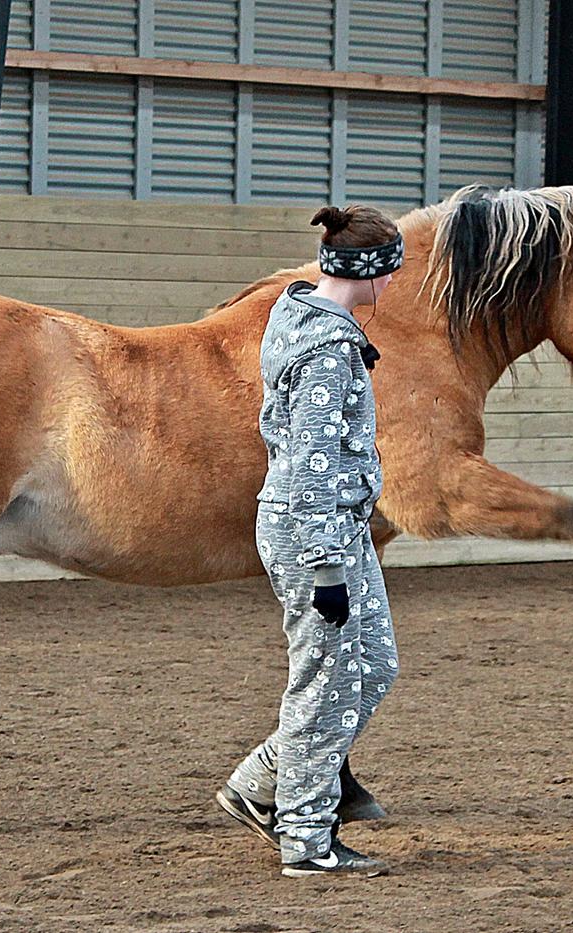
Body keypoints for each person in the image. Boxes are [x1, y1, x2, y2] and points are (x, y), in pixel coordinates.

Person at [217, 204, 403, 877]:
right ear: (373, 273)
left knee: (374, 665)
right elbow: (313, 466)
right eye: (392, 272)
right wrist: (326, 565)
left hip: (336, 530)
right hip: (314, 534)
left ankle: (258, 781)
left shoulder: (298, 314)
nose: (392, 286)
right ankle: (306, 838)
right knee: (323, 682)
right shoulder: (328, 350)